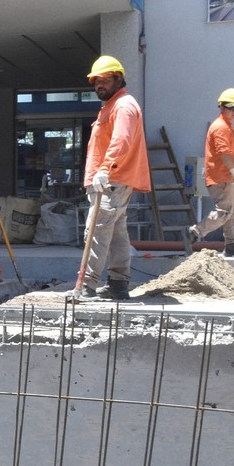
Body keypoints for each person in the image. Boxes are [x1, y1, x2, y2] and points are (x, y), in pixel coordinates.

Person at [73, 55, 150, 301]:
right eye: (95, 82)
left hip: (112, 180)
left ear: (118, 78)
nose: (99, 86)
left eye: (104, 80)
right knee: (116, 233)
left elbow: (121, 140)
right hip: (112, 180)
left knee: (96, 230)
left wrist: (106, 169)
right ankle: (118, 284)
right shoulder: (112, 105)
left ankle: (87, 286)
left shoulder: (123, 105)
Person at [187, 88, 234, 257]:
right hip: (222, 177)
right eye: (231, 107)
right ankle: (194, 232)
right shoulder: (221, 127)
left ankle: (232, 245)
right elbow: (223, 153)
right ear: (221, 107)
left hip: (227, 177)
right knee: (224, 212)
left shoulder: (227, 126)